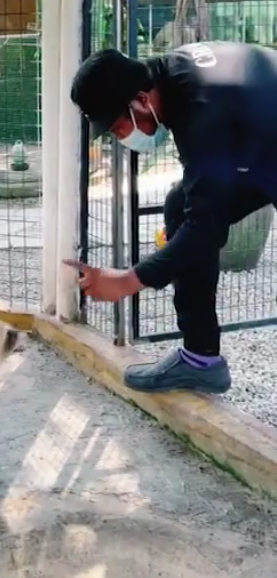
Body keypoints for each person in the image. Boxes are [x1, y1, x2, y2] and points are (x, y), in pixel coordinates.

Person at [68, 40, 277, 395]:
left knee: (195, 226)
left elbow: (205, 228)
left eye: (117, 127)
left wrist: (129, 280)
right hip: (267, 152)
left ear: (140, 100)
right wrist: (180, 247)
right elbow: (202, 207)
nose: (120, 138)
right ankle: (200, 360)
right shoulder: (176, 76)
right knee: (181, 205)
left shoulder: (200, 110)